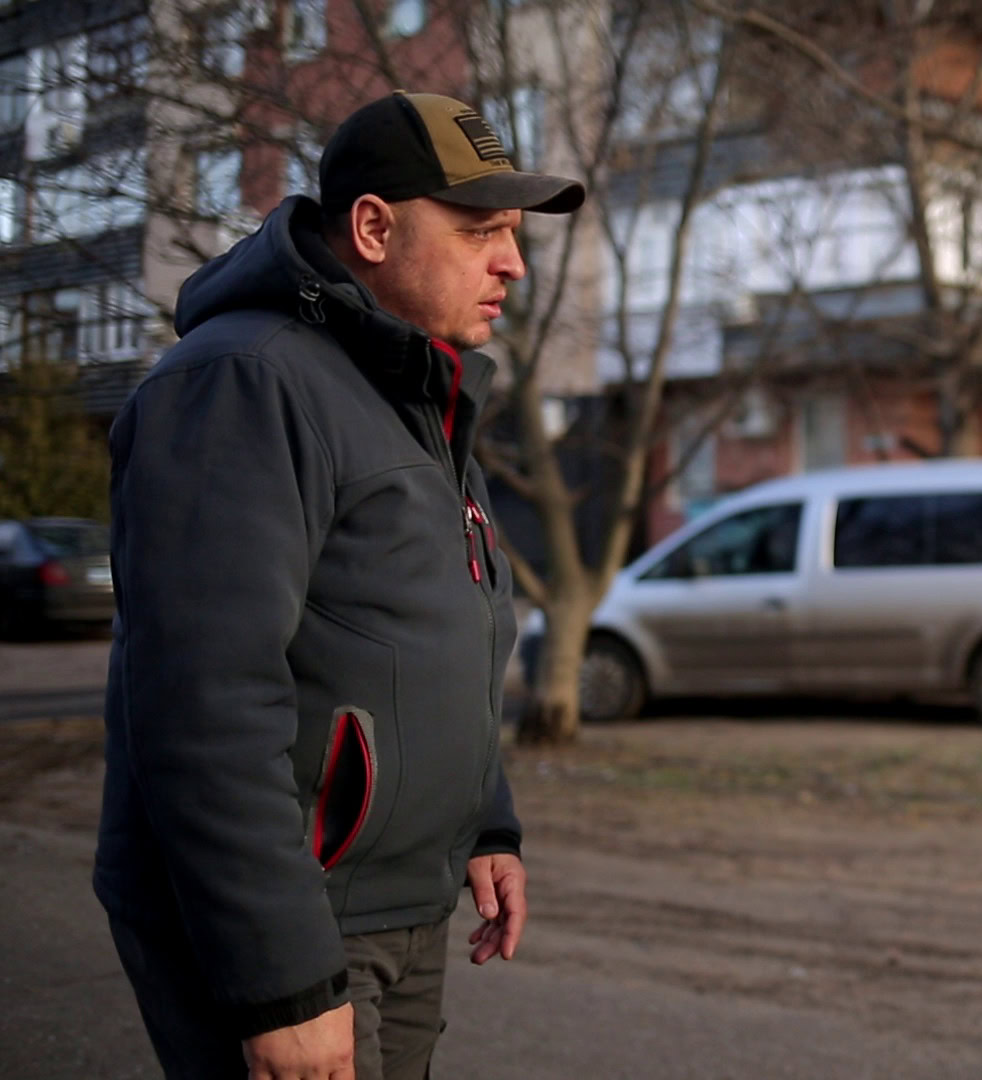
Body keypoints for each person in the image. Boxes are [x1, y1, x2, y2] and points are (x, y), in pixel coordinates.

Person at [96, 92, 584, 1080]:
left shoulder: (416, 390)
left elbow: (426, 630)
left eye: (514, 234)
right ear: (371, 226)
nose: (513, 264)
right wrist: (282, 981)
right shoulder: (241, 383)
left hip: (401, 904)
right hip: (297, 923)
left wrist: (484, 822)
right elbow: (205, 703)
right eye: (481, 230)